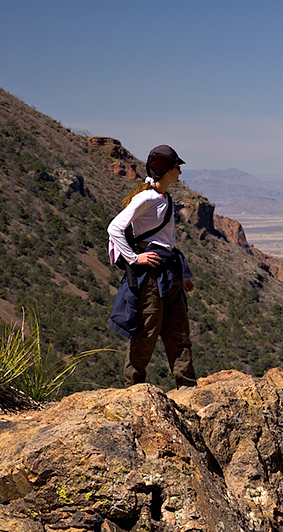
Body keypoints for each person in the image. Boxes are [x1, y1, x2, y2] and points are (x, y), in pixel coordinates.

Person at [107, 145, 197, 388]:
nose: (179, 172)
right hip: (151, 275)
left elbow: (167, 243)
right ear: (166, 170)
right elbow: (114, 228)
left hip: (170, 272)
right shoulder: (146, 197)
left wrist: (183, 275)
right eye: (177, 167)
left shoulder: (164, 197)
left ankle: (187, 387)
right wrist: (135, 259)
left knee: (178, 331)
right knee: (146, 332)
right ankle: (134, 389)